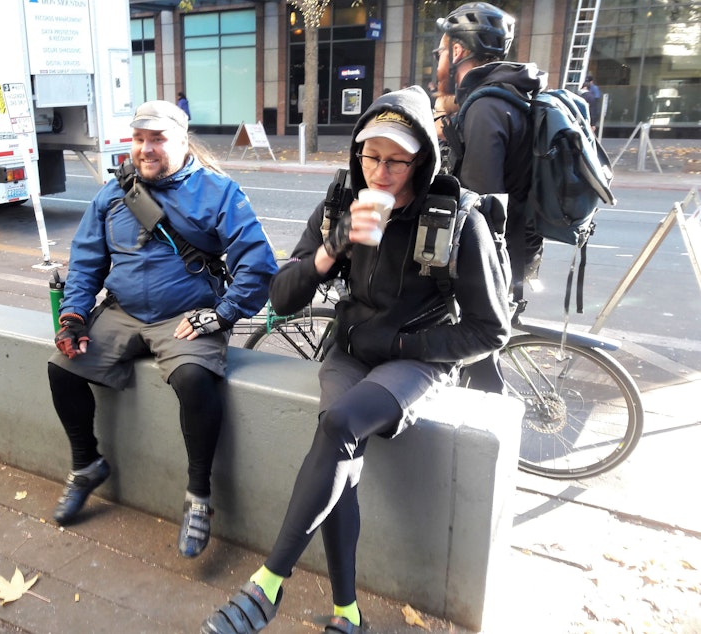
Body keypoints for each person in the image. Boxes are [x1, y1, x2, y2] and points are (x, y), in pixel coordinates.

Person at [200, 86, 511, 634]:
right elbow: (281, 295)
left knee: (339, 423)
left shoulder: (458, 221)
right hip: (349, 350)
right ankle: (348, 614)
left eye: (397, 160)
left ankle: (269, 582)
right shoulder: (343, 204)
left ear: (422, 160)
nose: (381, 171)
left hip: (416, 358)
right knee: (339, 454)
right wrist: (333, 247)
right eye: (371, 156)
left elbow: (492, 329)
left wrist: (405, 347)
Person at [47, 100, 277, 560]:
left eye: (157, 139)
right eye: (138, 139)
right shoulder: (113, 194)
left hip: (188, 314)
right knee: (63, 370)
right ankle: (87, 464)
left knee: (195, 380)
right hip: (124, 310)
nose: (145, 149)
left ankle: (198, 497)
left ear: (181, 140)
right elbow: (87, 260)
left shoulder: (218, 191)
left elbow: (258, 263)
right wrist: (73, 315)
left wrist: (224, 313)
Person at [433, 1, 546, 393]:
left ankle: (483, 440)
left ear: (458, 51)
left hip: (494, 254)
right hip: (516, 244)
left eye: (441, 50)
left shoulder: (486, 107)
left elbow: (480, 201)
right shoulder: (503, 97)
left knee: (480, 357)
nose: (438, 59)